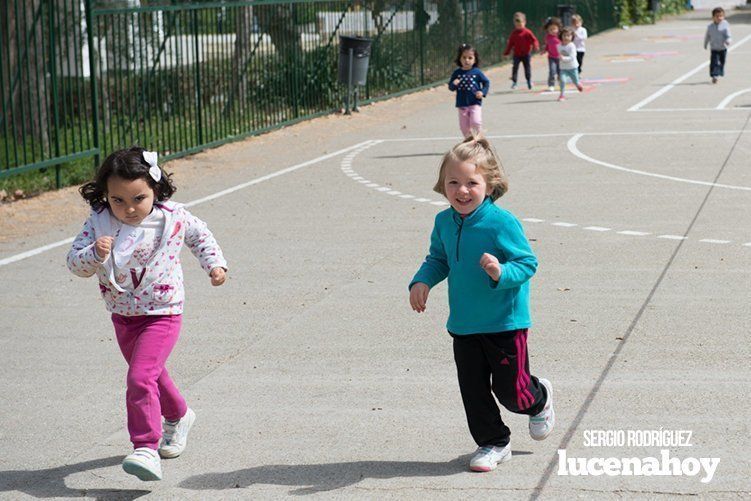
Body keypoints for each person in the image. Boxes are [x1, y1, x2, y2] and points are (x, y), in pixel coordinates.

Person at [67, 147, 228, 481]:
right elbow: (74, 264)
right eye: (118, 200)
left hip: (163, 312)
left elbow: (201, 236)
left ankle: (145, 447)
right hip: (123, 313)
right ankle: (180, 415)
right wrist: (93, 254)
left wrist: (215, 264)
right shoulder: (99, 222)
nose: (129, 209)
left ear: (156, 189)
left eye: (138, 198)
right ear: (106, 196)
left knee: (140, 378)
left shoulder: (171, 217)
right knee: (152, 375)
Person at [408, 134, 554, 473]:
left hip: (505, 322)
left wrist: (500, 271)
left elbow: (527, 263)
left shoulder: (502, 222)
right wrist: (422, 280)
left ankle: (539, 398)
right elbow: (439, 258)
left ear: (489, 185)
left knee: (512, 392)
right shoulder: (443, 222)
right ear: (442, 185)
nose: (461, 190)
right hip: (464, 323)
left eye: (471, 183)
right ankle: (493, 442)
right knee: (473, 390)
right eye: (453, 182)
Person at [448, 44, 490, 138]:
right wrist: (454, 84)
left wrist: (482, 92)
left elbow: (486, 82)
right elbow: (451, 87)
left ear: (475, 59)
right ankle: (469, 142)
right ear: (460, 58)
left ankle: (478, 139)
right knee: (464, 127)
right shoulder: (457, 73)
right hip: (462, 103)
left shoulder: (477, 72)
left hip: (475, 102)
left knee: (476, 121)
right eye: (464, 57)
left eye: (470, 58)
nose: (467, 60)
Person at [503, 12, 539, 90]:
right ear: (514, 24)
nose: (519, 26)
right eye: (517, 24)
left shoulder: (527, 32)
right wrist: (506, 52)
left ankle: (529, 81)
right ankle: (514, 82)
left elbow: (534, 40)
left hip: (526, 54)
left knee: (527, 68)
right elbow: (510, 44)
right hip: (517, 54)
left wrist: (536, 46)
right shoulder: (514, 33)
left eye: (521, 24)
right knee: (515, 67)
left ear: (524, 22)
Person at [704, 7, 731, 84]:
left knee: (722, 62)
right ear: (713, 17)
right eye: (717, 16)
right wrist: (705, 44)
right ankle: (714, 75)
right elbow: (707, 36)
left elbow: (728, 35)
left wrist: (728, 41)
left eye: (721, 16)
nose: (719, 18)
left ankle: (720, 71)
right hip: (714, 49)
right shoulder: (710, 27)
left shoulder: (725, 25)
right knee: (714, 62)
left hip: (723, 48)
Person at [558, 27, 584, 101]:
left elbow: (572, 57)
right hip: (563, 68)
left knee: (575, 80)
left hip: (573, 67)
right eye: (564, 35)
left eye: (568, 36)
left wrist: (563, 58)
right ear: (561, 36)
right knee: (562, 80)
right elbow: (556, 53)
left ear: (572, 37)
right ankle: (562, 95)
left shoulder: (572, 46)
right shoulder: (559, 46)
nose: (566, 37)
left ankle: (578, 85)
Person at [542, 17, 562, 92]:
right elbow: (547, 45)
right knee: (552, 71)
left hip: (560, 57)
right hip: (551, 57)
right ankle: (551, 85)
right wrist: (544, 50)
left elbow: (564, 45)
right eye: (550, 29)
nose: (553, 31)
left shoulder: (560, 36)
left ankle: (561, 82)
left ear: (558, 28)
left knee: (560, 71)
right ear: (547, 30)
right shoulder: (548, 37)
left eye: (554, 29)